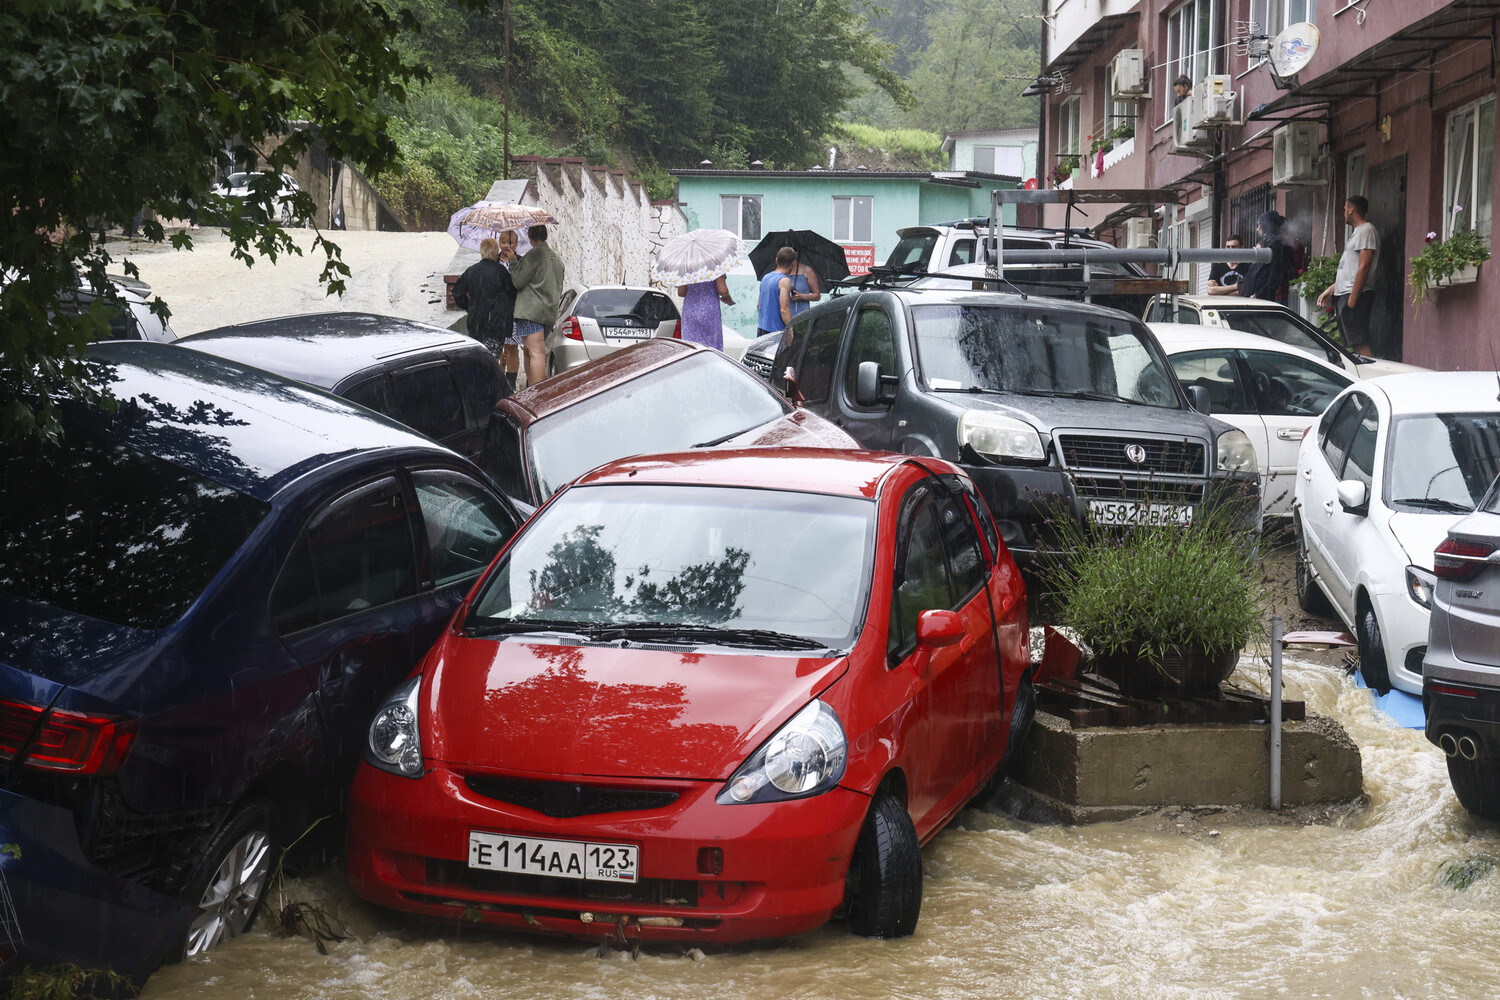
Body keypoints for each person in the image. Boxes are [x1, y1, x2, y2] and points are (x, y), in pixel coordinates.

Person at [1317, 195, 1379, 358]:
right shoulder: (1359, 232)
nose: (1344, 212)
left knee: (1360, 343)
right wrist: (1332, 289)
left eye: (1345, 209)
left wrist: (1353, 298)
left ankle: (1373, 378)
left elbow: (1364, 266)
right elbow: (1351, 268)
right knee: (1355, 343)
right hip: (1347, 293)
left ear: (1351, 209)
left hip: (1356, 295)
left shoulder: (1366, 230)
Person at [510, 223, 565, 387]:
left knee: (535, 352)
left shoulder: (535, 255)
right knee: (529, 352)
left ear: (530, 236)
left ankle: (539, 394)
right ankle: (531, 392)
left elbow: (518, 281)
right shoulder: (556, 258)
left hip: (531, 311)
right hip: (548, 313)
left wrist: (513, 261)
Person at [451, 237, 517, 370]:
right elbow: (512, 294)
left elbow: (457, 292)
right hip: (496, 324)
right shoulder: (501, 272)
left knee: (478, 361)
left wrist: (469, 306)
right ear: (495, 251)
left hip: (476, 323)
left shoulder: (472, 271)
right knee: (491, 362)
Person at [1240, 211, 1295, 305]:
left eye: (1259, 225)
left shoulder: (1277, 244)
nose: (1257, 229)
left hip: (1269, 298)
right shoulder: (1270, 242)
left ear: (1266, 225)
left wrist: (1259, 295)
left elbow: (1273, 273)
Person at [496, 230, 523, 390]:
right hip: (498, 310)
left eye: (510, 243)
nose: (506, 246)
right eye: (503, 242)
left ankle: (511, 383)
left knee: (512, 348)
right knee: (498, 346)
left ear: (516, 244)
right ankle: (499, 376)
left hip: (514, 310)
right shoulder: (493, 260)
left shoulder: (520, 262)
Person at [677, 275, 734, 350]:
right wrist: (726, 297)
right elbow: (722, 290)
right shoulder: (716, 265)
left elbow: (681, 292)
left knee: (690, 347)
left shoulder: (687, 267)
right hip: (709, 310)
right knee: (711, 347)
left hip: (690, 311)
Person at [756, 247, 797, 337]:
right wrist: (792, 329)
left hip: (762, 328)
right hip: (776, 331)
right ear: (793, 263)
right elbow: (784, 309)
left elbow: (759, 306)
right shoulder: (784, 281)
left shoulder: (765, 277)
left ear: (776, 260)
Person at [788, 253, 822, 319]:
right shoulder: (780, 272)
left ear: (796, 254)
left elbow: (817, 296)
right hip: (783, 315)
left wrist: (802, 296)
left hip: (801, 315)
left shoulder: (807, 271)